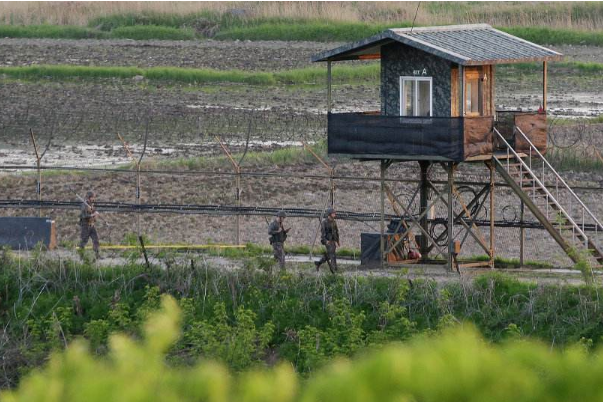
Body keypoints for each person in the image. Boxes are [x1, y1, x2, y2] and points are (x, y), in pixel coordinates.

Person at [315, 207, 339, 273]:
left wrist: (337, 241)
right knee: (332, 255)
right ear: (329, 214)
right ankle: (334, 269)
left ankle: (318, 263)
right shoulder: (324, 222)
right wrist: (326, 241)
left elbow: (336, 232)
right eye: (333, 213)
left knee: (329, 255)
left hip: (333, 241)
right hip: (327, 241)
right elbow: (323, 234)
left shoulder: (334, 222)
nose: (334, 214)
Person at [79, 190, 100, 260]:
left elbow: (93, 212)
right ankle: (81, 256)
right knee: (84, 241)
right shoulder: (84, 205)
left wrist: (95, 214)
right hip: (85, 225)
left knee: (96, 240)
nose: (94, 199)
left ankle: (97, 255)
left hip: (92, 225)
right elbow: (83, 216)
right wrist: (92, 214)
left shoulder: (91, 205)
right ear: (89, 197)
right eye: (93, 197)